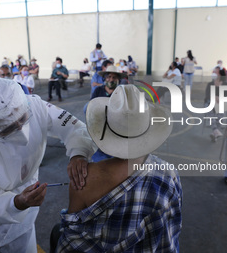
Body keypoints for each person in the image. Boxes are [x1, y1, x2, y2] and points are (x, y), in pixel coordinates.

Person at [0, 77, 95, 252]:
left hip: (23, 210)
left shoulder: (33, 104)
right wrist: (17, 202)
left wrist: (78, 153)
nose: (22, 134)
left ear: (25, 103)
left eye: (24, 118)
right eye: (7, 129)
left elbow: (72, 126)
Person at [53, 85, 182, 253]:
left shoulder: (84, 178)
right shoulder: (168, 174)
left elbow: (72, 233)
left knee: (56, 232)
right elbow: (172, 227)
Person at [204, 67, 226, 142]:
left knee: (220, 116)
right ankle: (216, 130)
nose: (214, 73)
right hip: (210, 103)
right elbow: (207, 95)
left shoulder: (225, 84)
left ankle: (214, 134)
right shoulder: (210, 84)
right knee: (211, 116)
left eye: (215, 72)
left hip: (220, 104)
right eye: (213, 72)